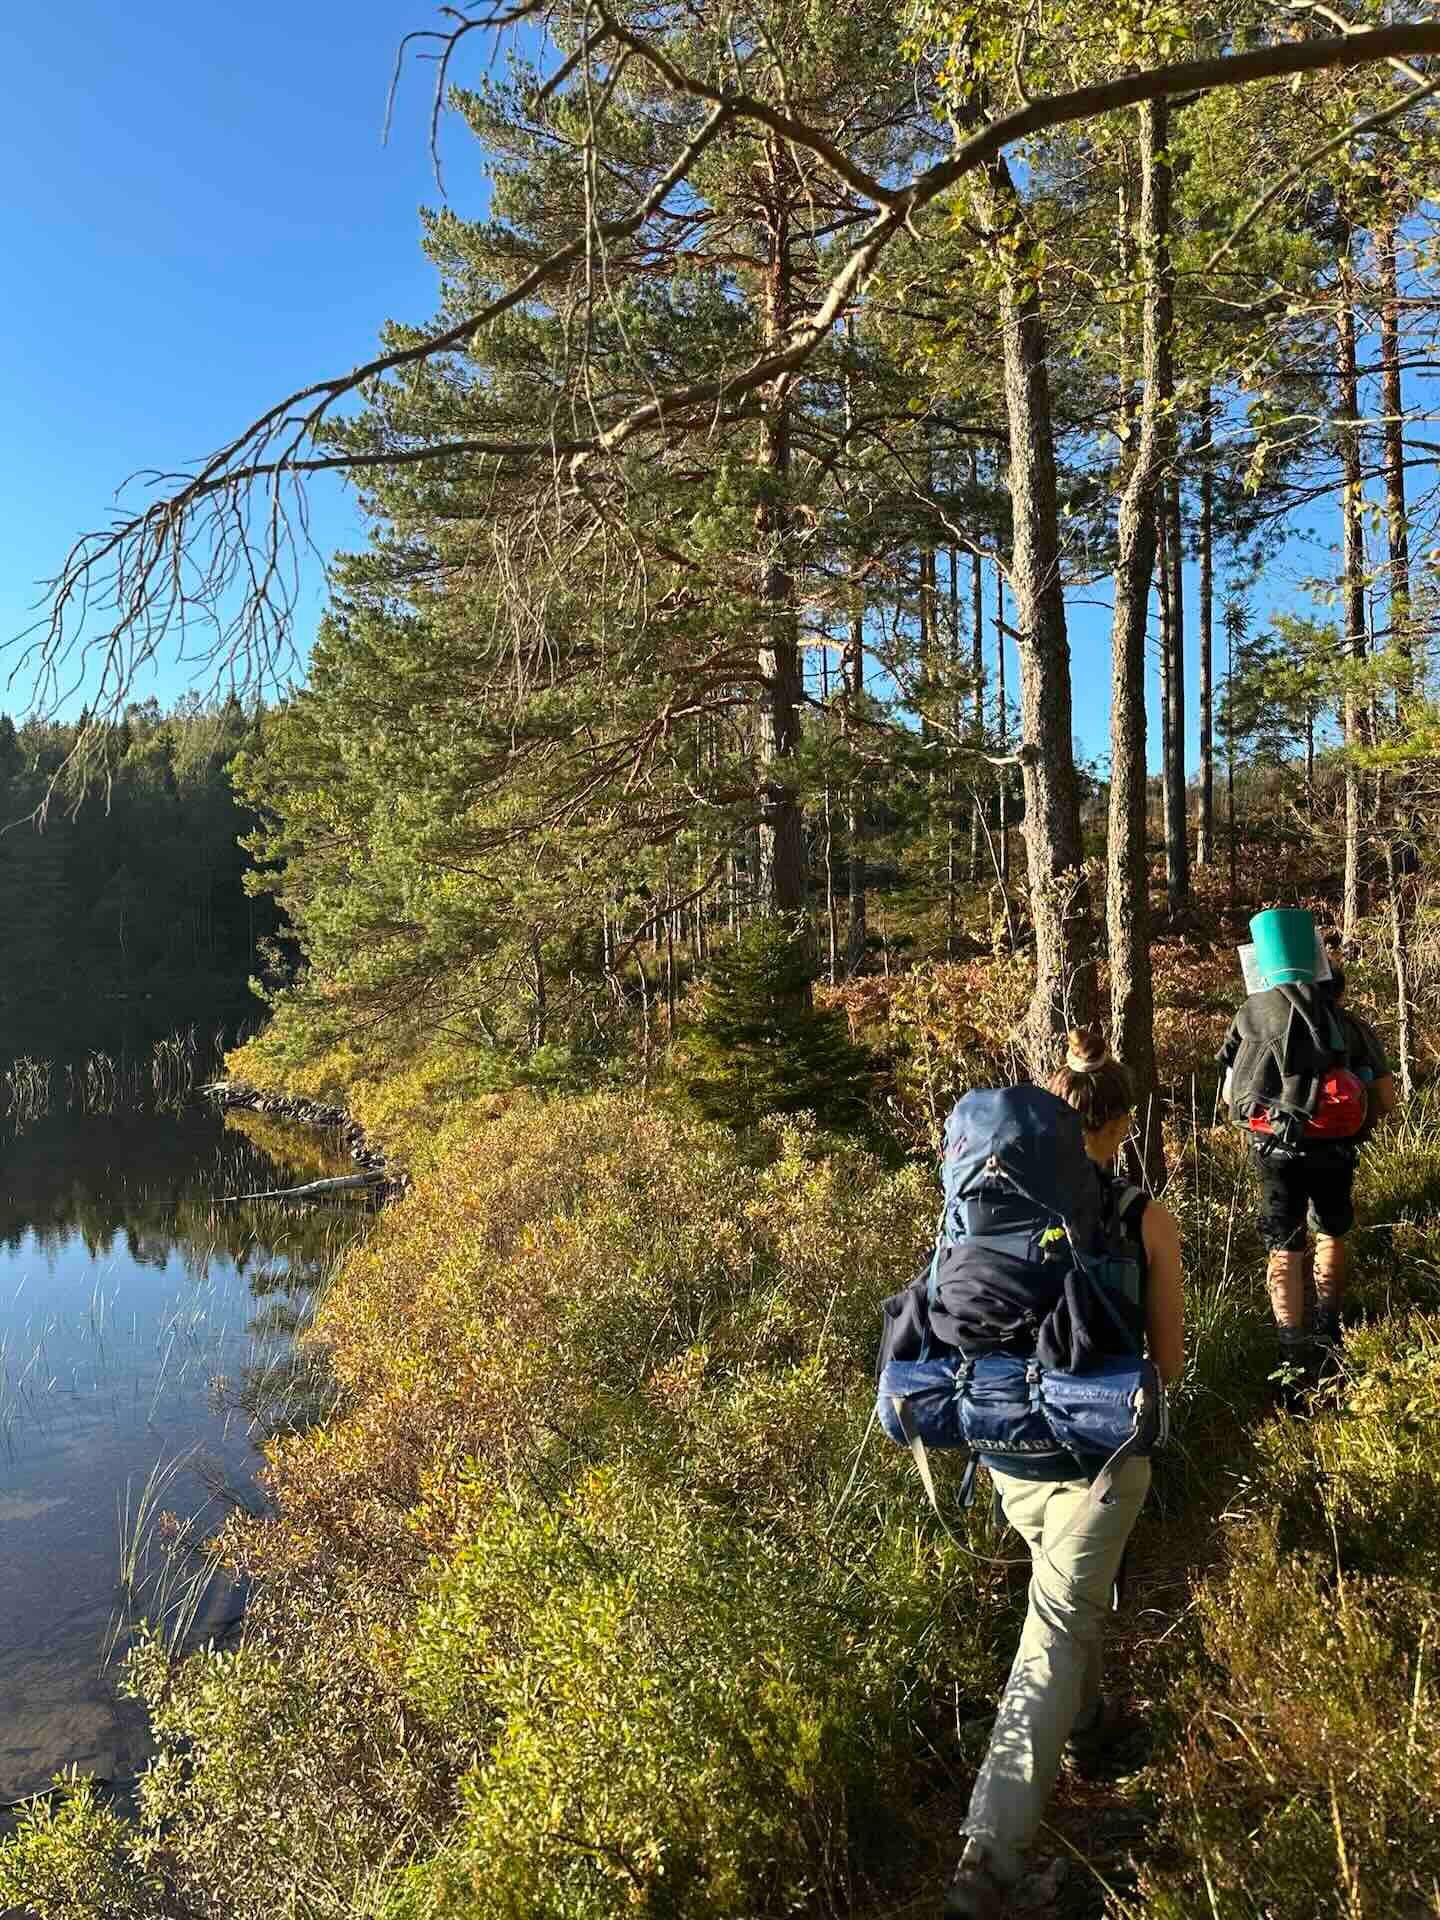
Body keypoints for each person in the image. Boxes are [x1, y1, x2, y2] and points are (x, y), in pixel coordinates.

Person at [945, 1029, 1185, 1920]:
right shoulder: (1142, 1216)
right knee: (1049, 1636)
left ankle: (1086, 1730)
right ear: (1122, 1120)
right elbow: (1169, 1362)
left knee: (1060, 1596)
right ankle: (987, 1866)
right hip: (1101, 1461)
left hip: (1004, 1446)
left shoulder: (983, 1206)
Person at [1218, 960, 1396, 1378]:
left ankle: (1290, 1351)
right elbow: (1385, 1098)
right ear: (1335, 987)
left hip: (1274, 1150)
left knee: (1284, 1246)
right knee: (1331, 1232)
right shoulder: (1348, 1026)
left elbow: (1232, 1094)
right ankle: (1329, 1329)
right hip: (1336, 1151)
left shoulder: (1254, 1020)